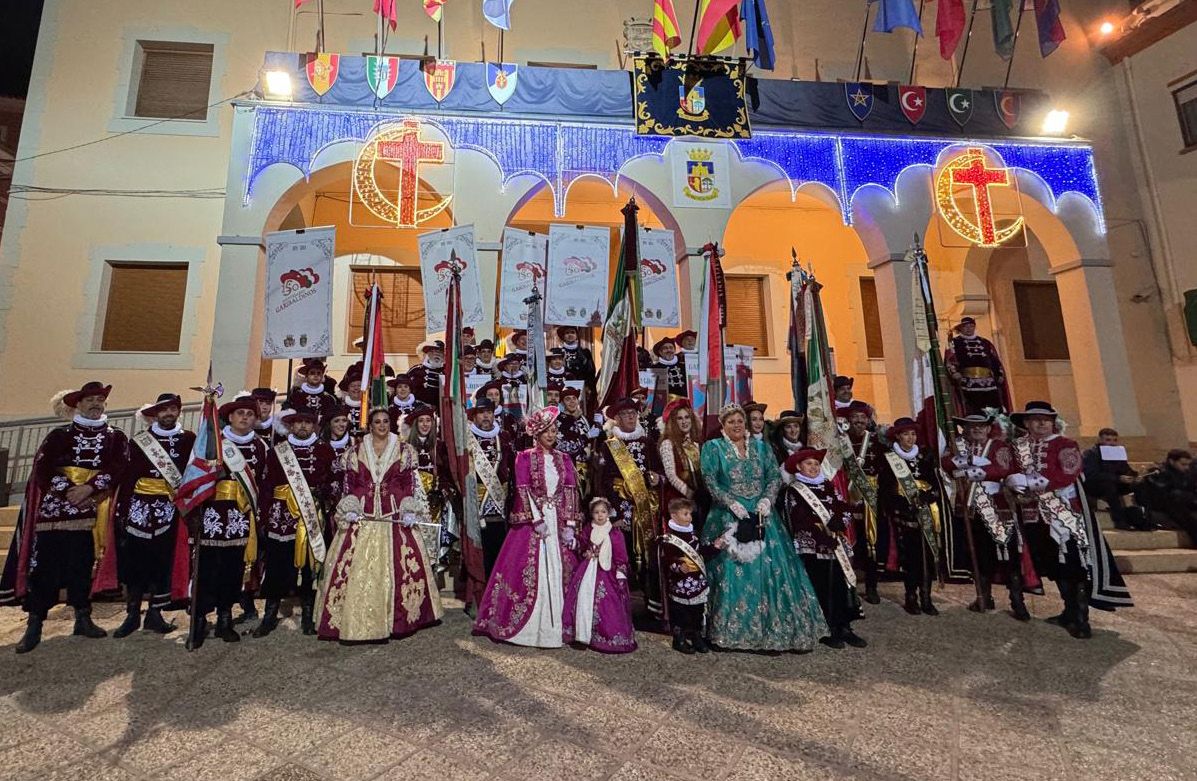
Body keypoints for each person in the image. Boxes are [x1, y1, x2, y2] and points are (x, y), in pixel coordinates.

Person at [2, 381, 127, 654]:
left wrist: (89, 489)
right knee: (45, 567)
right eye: (89, 400)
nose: (95, 404)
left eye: (99, 400)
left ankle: (83, 616)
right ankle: (35, 622)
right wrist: (69, 491)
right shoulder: (59, 435)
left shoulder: (116, 437)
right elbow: (43, 469)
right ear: (77, 404)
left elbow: (118, 466)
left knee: (81, 565)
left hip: (94, 506)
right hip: (56, 509)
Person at [698, 404, 827, 652]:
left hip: (762, 514)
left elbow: (773, 477)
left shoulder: (761, 447)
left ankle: (777, 630)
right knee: (730, 569)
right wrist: (730, 502)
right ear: (723, 425)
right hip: (728, 514)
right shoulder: (713, 448)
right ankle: (730, 632)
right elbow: (710, 479)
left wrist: (767, 499)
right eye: (731, 422)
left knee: (773, 569)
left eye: (740, 421)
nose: (736, 425)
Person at [1006, 401, 1132, 639]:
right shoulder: (1019, 447)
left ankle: (1081, 618)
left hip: (1065, 515)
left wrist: (1030, 483)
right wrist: (1013, 484)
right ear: (1026, 423)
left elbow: (1067, 473)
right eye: (1035, 419)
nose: (1041, 423)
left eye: (1046, 419)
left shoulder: (1066, 444)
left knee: (1075, 564)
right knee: (1053, 565)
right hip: (1034, 515)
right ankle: (1069, 610)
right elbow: (1011, 472)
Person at [318, 407, 443, 642]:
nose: (382, 425)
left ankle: (398, 620)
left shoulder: (404, 450)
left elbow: (408, 484)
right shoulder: (355, 451)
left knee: (401, 568)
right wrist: (351, 505)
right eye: (377, 422)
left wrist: (408, 508)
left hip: (394, 516)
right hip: (363, 517)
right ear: (370, 426)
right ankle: (360, 621)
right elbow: (350, 484)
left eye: (386, 421)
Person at [473, 407, 582, 648]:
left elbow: (570, 491)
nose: (551, 435)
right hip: (535, 521)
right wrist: (536, 520)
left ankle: (561, 626)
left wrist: (570, 524)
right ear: (537, 434)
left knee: (563, 568)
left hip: (558, 519)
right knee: (527, 570)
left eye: (554, 430)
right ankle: (532, 627)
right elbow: (523, 490)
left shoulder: (564, 459)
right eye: (547, 431)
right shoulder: (524, 457)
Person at [112, 392, 194, 638]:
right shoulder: (140, 441)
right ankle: (132, 613)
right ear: (155, 413)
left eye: (173, 409)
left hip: (171, 508)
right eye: (163, 409)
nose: (168, 413)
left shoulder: (189, 439)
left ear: (178, 412)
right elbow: (128, 477)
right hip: (140, 508)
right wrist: (123, 509)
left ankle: (155, 613)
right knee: (136, 561)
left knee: (163, 562)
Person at [191, 395, 269, 648]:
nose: (245, 418)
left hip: (242, 514)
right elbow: (196, 475)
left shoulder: (260, 446)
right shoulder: (214, 442)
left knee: (233, 568)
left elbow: (263, 480)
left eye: (250, 414)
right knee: (207, 568)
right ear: (230, 417)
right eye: (240, 413)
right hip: (213, 511)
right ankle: (200, 618)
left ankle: (225, 617)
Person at [256, 409, 336, 638]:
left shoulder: (324, 450)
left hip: (310, 516)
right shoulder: (277, 452)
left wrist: (326, 493)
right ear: (290, 426)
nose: (302, 426)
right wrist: (264, 516)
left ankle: (309, 614)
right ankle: (270, 614)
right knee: (276, 565)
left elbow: (334, 480)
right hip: (281, 516)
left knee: (310, 567)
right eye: (298, 422)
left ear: (314, 426)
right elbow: (267, 486)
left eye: (307, 422)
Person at [943, 414, 1029, 620]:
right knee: (979, 554)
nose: (977, 430)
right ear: (965, 428)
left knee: (1008, 555)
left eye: (981, 426)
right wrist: (968, 461)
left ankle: (1017, 600)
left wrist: (975, 472)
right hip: (969, 508)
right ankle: (984, 596)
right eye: (972, 426)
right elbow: (946, 463)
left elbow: (1004, 468)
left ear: (989, 429)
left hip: (996, 508)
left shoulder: (999, 446)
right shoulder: (958, 445)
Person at [782, 448, 867, 649]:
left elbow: (841, 506)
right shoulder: (794, 490)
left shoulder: (827, 485)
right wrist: (822, 537)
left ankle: (844, 626)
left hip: (835, 544)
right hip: (813, 547)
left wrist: (840, 522)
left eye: (816, 464)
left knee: (842, 584)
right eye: (808, 464)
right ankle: (827, 628)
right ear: (799, 467)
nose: (813, 467)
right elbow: (799, 520)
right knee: (822, 586)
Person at [592, 397, 665, 618]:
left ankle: (652, 606)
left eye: (633, 413)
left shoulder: (648, 443)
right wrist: (615, 514)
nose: (631, 417)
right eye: (625, 414)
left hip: (647, 510)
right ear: (617, 418)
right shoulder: (609, 445)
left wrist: (657, 479)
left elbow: (660, 472)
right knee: (624, 559)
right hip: (622, 511)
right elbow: (602, 482)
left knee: (650, 559)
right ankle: (621, 610)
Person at [878, 417, 943, 616]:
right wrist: (901, 506)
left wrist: (928, 496)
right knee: (910, 558)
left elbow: (935, 484)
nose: (910, 438)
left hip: (927, 511)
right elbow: (886, 489)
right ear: (898, 436)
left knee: (927, 556)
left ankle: (926, 597)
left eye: (913, 434)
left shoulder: (924, 456)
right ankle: (911, 596)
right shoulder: (889, 458)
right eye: (906, 434)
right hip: (904, 513)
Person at [458, 399, 516, 615]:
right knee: (477, 551)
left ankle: (499, 596)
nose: (485, 417)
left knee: (499, 549)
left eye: (489, 412)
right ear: (474, 416)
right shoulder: (467, 440)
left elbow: (511, 468)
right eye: (481, 413)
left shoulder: (504, 437)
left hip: (499, 504)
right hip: (476, 502)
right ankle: (478, 596)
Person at [563, 497, 636, 654]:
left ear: (608, 513)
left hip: (607, 571)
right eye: (596, 512)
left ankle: (604, 636)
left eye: (603, 512)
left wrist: (620, 573)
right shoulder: (589, 529)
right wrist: (581, 548)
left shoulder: (614, 533)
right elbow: (582, 544)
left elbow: (621, 555)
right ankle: (582, 635)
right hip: (588, 569)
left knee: (607, 602)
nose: (600, 515)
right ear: (592, 514)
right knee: (583, 597)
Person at [659, 498, 719, 654]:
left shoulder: (693, 535)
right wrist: (679, 567)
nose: (689, 518)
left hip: (697, 583)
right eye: (685, 514)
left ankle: (696, 636)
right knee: (681, 612)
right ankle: (679, 638)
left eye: (690, 514)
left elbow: (700, 552)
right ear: (674, 516)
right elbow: (667, 559)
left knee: (697, 611)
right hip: (680, 584)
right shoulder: (669, 539)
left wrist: (715, 547)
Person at [840, 401, 885, 605]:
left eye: (862, 417)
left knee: (870, 542)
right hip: (847, 495)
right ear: (848, 420)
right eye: (854, 417)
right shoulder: (841, 442)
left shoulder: (876, 441)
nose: (859, 421)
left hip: (870, 496)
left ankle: (871, 586)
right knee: (848, 540)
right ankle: (848, 586)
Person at [404, 403, 454, 575]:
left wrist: (442, 490)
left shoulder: (439, 446)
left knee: (434, 535)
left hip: (434, 499)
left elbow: (446, 473)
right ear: (415, 424)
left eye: (428, 420)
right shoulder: (405, 447)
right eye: (421, 421)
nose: (425, 424)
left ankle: (434, 569)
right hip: (414, 499)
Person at [1082, 428, 1147, 531]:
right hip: (1096, 485)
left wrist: (1134, 476)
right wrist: (1118, 478)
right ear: (1100, 440)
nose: (1112, 443)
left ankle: (1144, 518)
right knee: (1109, 486)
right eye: (1108, 440)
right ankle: (1119, 520)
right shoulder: (1091, 453)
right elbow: (1092, 475)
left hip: (1116, 482)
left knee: (1141, 485)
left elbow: (1126, 469)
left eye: (1114, 440)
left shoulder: (1117, 453)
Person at [945, 316, 1011, 415]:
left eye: (971, 326)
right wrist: (954, 372)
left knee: (994, 409)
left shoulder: (985, 343)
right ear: (961, 328)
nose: (969, 329)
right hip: (967, 383)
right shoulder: (955, 343)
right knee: (974, 409)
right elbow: (950, 359)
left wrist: (999, 374)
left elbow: (995, 360)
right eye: (966, 326)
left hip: (989, 383)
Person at [658, 400, 704, 527]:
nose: (684, 421)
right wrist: (690, 494)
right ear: (673, 422)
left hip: (700, 498)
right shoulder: (667, 443)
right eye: (679, 418)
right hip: (679, 499)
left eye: (687, 417)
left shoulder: (696, 442)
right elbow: (671, 476)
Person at [1136, 449, 1196, 539]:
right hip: (1164, 503)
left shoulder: (1185, 473)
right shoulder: (1159, 472)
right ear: (1172, 461)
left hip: (1180, 501)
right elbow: (1163, 492)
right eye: (1183, 464)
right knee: (1182, 512)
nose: (1187, 467)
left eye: (1188, 464)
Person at [288, 359, 339, 425]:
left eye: (319, 373)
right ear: (306, 376)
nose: (316, 375)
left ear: (322, 376)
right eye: (312, 373)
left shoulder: (329, 399)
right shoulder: (296, 396)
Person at [408, 341, 445, 407]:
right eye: (434, 352)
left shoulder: (446, 372)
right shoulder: (416, 370)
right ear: (428, 353)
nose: (437, 354)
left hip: (439, 409)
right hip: (417, 408)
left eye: (440, 352)